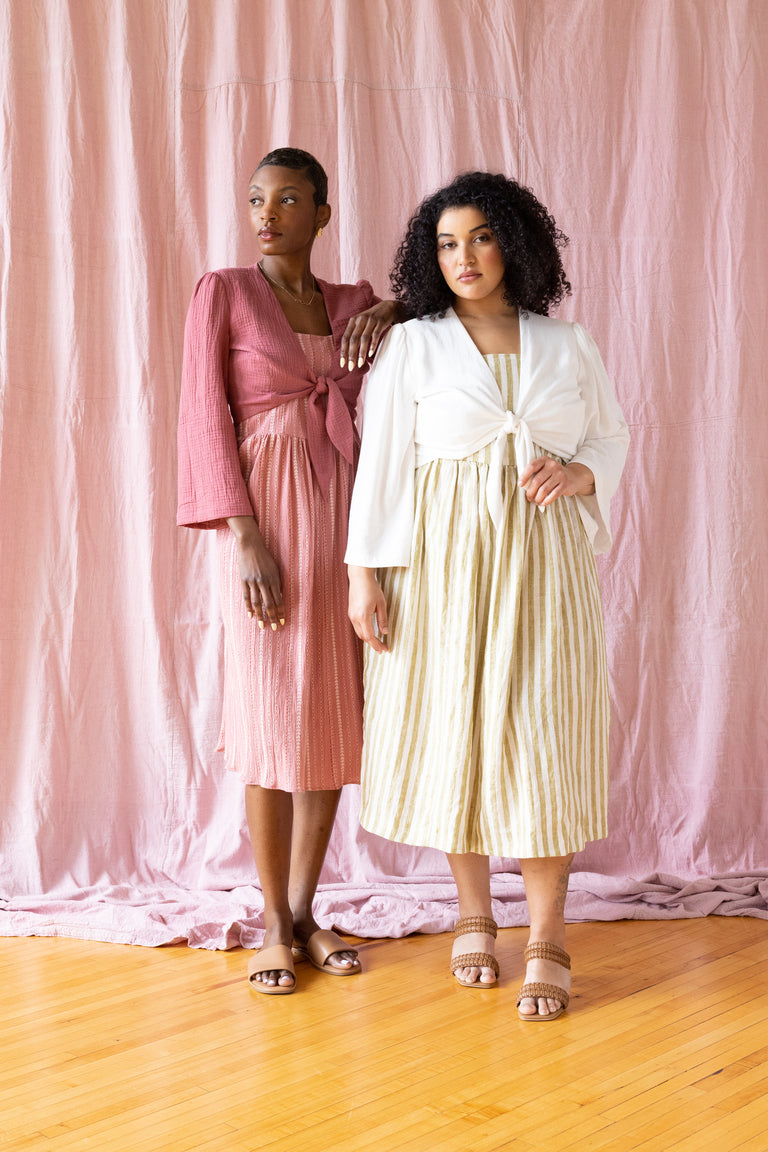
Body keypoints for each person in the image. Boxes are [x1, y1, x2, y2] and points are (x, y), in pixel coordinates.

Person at [346, 172, 629, 1020]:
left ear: (515, 242)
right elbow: (381, 464)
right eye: (446, 244)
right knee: (454, 728)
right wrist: (364, 575)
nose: (463, 257)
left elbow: (610, 437)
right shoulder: (414, 345)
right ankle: (474, 913)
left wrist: (580, 473)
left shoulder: (567, 343)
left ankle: (547, 935)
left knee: (545, 733)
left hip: (544, 566)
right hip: (440, 569)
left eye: (479, 237)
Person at [178, 147, 400, 994]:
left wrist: (395, 305)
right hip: (265, 520)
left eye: (288, 199)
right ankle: (272, 919)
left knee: (330, 715)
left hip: (344, 516)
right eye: (256, 199)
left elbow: (441, 310)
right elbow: (204, 415)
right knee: (272, 717)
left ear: (322, 214)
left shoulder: (348, 305)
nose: (267, 214)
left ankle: (306, 913)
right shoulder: (226, 291)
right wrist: (243, 537)